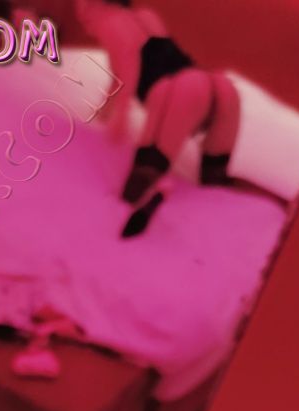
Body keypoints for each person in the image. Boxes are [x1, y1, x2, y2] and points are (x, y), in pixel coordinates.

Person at [76, 0, 241, 236]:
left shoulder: (109, 22)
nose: (79, 10)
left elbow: (129, 66)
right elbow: (126, 68)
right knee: (215, 183)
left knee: (138, 186)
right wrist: (105, 110)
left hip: (179, 91)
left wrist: (121, 116)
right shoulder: (145, 16)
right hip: (220, 88)